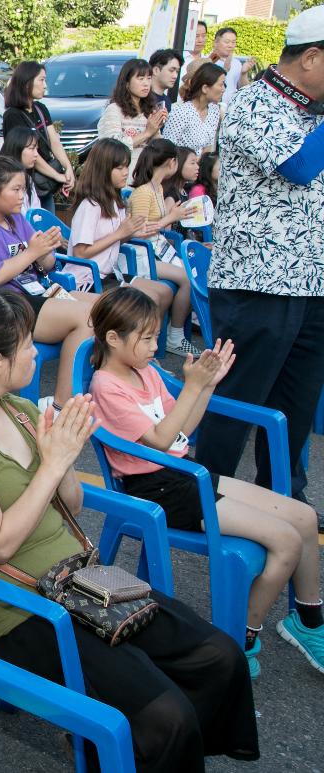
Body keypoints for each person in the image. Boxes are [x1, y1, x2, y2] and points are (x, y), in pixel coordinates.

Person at [0, 287, 259, 772]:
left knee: (219, 657)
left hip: (79, 581)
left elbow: (70, 504)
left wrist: (65, 459)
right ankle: (155, 750)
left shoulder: (21, 412)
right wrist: (50, 465)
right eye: (28, 345)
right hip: (16, 607)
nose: (37, 354)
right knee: (164, 715)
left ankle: (163, 757)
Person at [89, 287, 324, 677]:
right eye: (146, 338)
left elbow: (182, 435)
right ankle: (241, 637)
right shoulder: (106, 386)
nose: (155, 346)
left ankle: (309, 620)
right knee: (284, 539)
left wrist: (208, 385)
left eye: (155, 335)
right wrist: (194, 387)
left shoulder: (144, 372)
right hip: (158, 490)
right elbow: (161, 440)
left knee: (301, 518)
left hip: (183, 474)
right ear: (113, 339)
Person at [195, 6, 324, 532]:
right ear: (312, 58)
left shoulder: (312, 116)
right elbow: (297, 166)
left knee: (294, 405)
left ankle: (282, 499)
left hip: (310, 283)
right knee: (236, 400)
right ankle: (205, 499)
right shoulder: (253, 103)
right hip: (257, 283)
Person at [0, 156, 97, 404]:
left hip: (31, 292)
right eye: (16, 190)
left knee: (104, 307)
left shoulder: (14, 218)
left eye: (23, 190)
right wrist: (32, 251)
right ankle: (61, 404)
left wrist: (47, 247)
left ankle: (95, 388)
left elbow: (45, 264)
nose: (22, 196)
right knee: (86, 318)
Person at [67, 138, 172, 309]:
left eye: (127, 166)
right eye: (119, 167)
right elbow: (80, 253)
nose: (125, 172)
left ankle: (152, 336)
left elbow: (116, 239)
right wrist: (120, 234)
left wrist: (131, 232)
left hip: (110, 274)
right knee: (150, 300)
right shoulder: (90, 206)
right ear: (103, 169)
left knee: (164, 292)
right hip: (90, 279)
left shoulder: (115, 201)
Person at [126, 140, 204, 362]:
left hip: (156, 251)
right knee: (188, 279)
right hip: (141, 255)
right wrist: (170, 218)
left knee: (192, 272)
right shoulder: (143, 192)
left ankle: (174, 331)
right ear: (171, 162)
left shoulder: (157, 188)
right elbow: (136, 231)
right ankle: (175, 334)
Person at [2, 61, 73, 209]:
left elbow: (54, 142)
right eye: (41, 80)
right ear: (27, 82)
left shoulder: (40, 108)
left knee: (49, 226)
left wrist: (68, 169)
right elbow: (29, 152)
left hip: (45, 184)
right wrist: (56, 175)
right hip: (26, 182)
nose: (45, 85)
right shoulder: (13, 115)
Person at [98, 59, 168, 172]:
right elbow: (112, 148)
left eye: (149, 78)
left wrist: (157, 125)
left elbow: (156, 147)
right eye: (141, 79)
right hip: (122, 174)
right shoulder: (114, 110)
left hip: (144, 173)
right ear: (126, 83)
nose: (146, 83)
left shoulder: (149, 110)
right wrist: (147, 133)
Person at [161, 62, 225, 154]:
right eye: (221, 84)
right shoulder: (181, 112)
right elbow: (168, 148)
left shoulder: (214, 111)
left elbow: (207, 148)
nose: (223, 89)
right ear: (205, 88)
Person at [0, 126, 45, 212]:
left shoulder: (28, 179)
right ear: (17, 148)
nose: (36, 154)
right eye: (31, 148)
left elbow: (36, 214)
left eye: (36, 149)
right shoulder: (0, 179)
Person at [208, 27, 256, 104]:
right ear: (216, 42)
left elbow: (243, 89)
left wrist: (243, 73)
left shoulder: (237, 63)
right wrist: (224, 70)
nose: (230, 45)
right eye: (227, 42)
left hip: (230, 107)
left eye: (233, 42)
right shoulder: (207, 60)